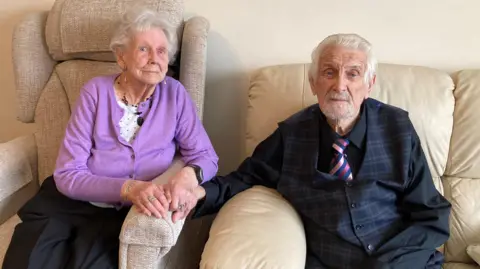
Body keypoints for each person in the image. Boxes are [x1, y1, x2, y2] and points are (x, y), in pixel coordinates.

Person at [176, 34, 452, 269]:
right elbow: (245, 178)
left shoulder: (398, 128)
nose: (339, 85)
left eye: (352, 74)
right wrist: (199, 193)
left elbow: (432, 214)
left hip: (400, 261)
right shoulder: (292, 134)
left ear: (369, 85)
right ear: (313, 83)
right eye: (329, 72)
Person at [2, 7, 218, 269]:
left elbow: (206, 156)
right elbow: (67, 174)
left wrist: (187, 176)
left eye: (161, 51)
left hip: (121, 216)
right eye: (143, 49)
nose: (154, 58)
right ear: (121, 57)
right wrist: (128, 188)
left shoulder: (175, 95)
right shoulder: (95, 92)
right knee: (28, 261)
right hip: (69, 203)